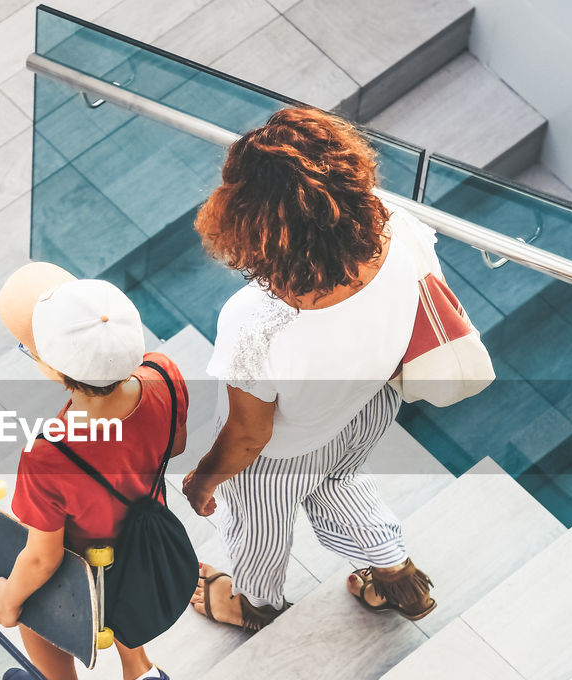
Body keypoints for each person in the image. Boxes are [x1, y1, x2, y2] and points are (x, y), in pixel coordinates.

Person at [182, 106, 437, 632]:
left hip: (284, 450)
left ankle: (253, 603)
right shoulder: (399, 227)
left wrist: (203, 482)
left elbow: (250, 436)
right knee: (340, 482)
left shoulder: (256, 320)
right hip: (369, 407)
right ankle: (396, 577)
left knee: (261, 529)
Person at [0, 262, 190, 680]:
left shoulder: (48, 455)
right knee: (123, 584)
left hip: (88, 569)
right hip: (149, 540)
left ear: (53, 369)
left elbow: (42, 559)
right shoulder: (164, 371)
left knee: (37, 621)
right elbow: (177, 442)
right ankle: (142, 676)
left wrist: (9, 603)